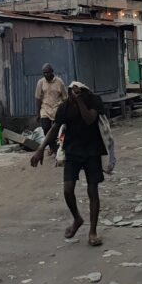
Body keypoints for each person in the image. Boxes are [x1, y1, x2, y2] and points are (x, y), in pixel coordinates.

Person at [31, 81, 107, 246]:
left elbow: (89, 119)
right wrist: (40, 149)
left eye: (79, 93)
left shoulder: (94, 101)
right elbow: (54, 128)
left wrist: (80, 101)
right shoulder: (65, 107)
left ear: (85, 92)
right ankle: (77, 218)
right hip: (73, 151)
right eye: (73, 93)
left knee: (93, 190)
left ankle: (93, 231)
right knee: (67, 189)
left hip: (92, 150)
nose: (75, 95)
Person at [35, 63, 67, 155]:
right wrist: (38, 113)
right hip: (45, 108)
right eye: (44, 73)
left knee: (57, 130)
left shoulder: (59, 82)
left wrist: (65, 111)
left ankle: (58, 147)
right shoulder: (40, 82)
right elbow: (38, 98)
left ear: (52, 71)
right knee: (45, 128)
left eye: (47, 72)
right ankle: (53, 147)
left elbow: (65, 97)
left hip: (57, 108)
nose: (46, 75)